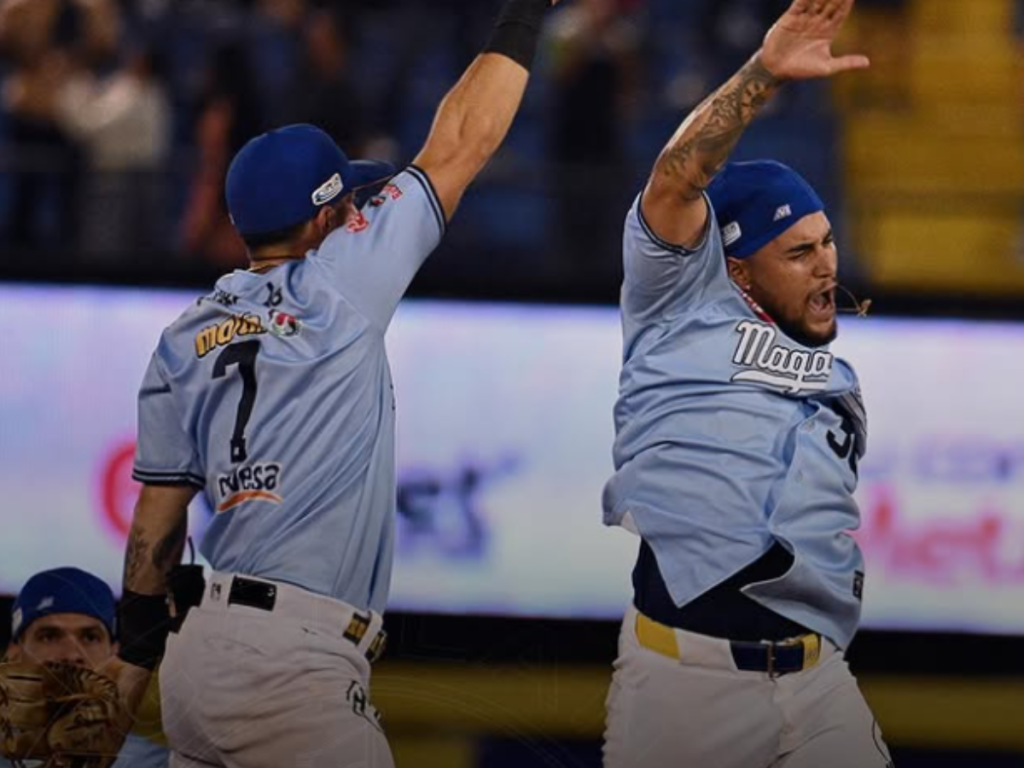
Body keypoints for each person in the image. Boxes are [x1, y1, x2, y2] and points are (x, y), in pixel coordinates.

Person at [112, 2, 563, 767]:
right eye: (348, 202)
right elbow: (463, 139)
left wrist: (115, 704)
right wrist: (523, 14)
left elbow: (153, 538)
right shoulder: (340, 280)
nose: (360, 211)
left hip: (197, 658)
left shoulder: (184, 336)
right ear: (325, 221)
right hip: (289, 665)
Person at [601, 1, 893, 767]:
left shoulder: (836, 371)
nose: (826, 264)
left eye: (827, 242)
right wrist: (764, 74)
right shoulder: (677, 309)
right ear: (737, 270)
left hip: (817, 677)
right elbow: (675, 179)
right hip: (683, 690)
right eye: (797, 252)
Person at [1, 567, 168, 768]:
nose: (71, 655)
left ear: (113, 654)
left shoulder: (158, 764)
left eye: (90, 637)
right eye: (49, 636)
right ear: (14, 654)